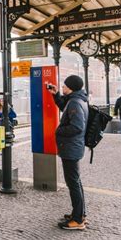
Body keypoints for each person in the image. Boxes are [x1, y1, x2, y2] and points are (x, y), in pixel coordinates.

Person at [48, 75, 89, 230]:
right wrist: (56, 95)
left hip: (71, 147)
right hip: (74, 147)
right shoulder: (79, 99)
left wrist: (59, 130)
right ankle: (79, 214)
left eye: (64, 86)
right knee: (76, 182)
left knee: (73, 183)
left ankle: (78, 220)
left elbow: (77, 126)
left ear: (71, 87)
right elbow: (65, 108)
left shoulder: (75, 102)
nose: (63, 87)